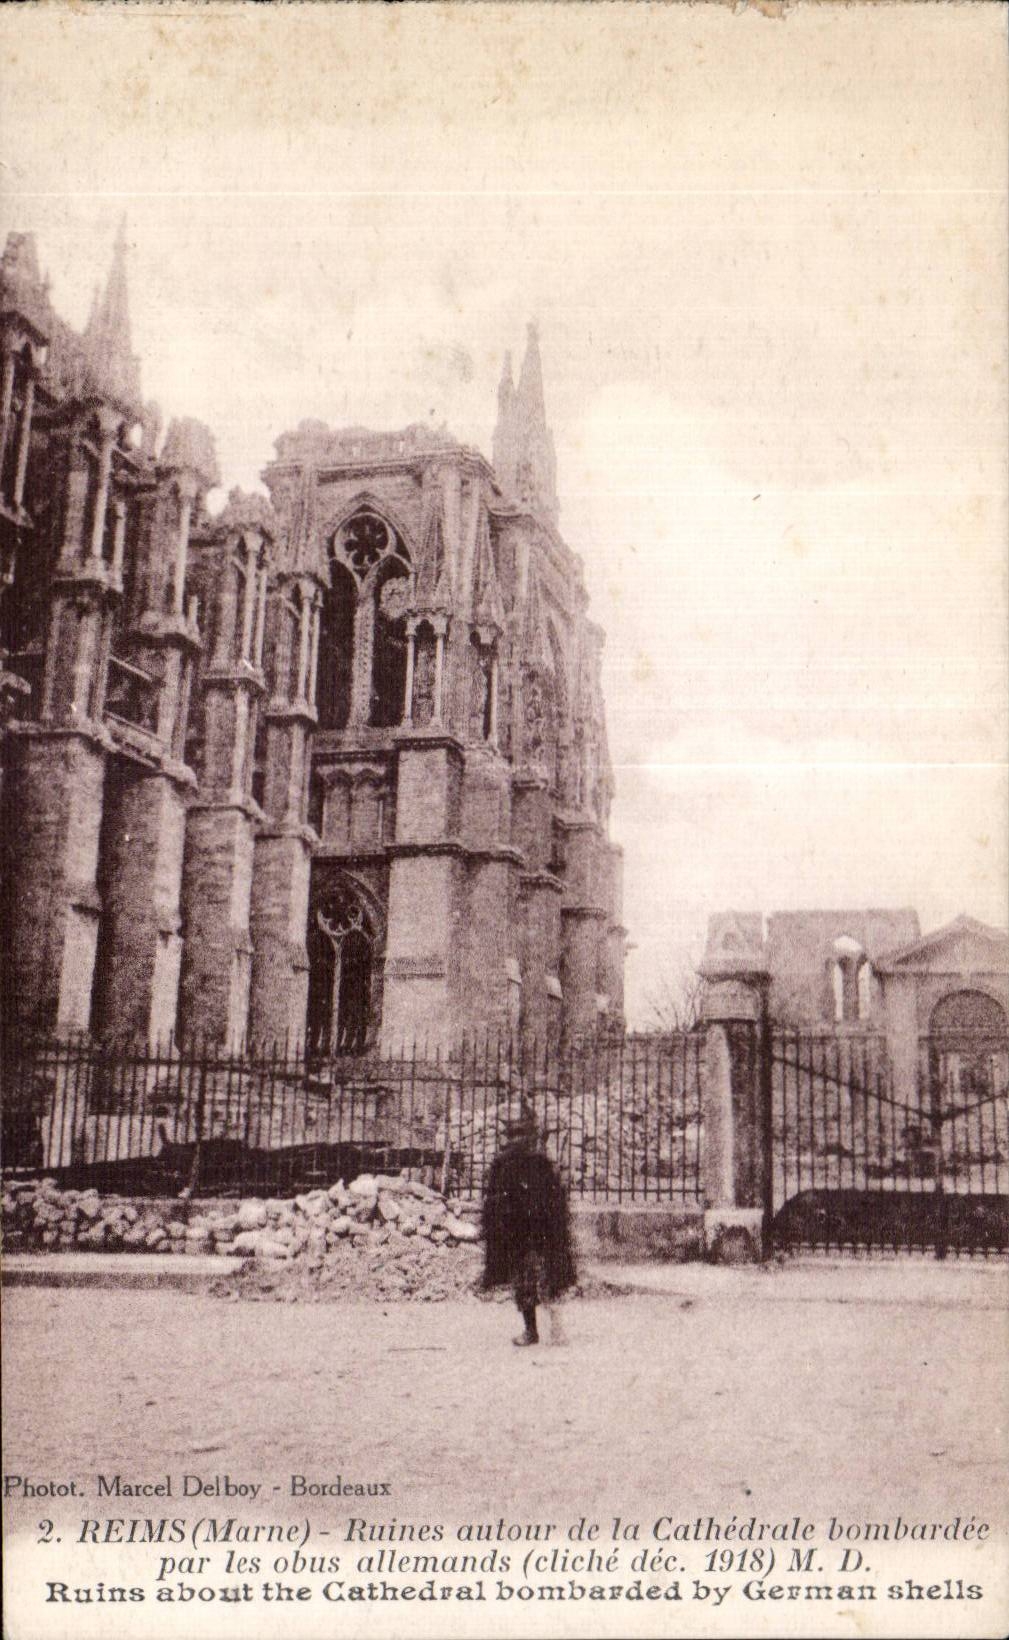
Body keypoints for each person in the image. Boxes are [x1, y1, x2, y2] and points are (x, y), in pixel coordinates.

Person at [481, 1112, 577, 1346]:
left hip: (534, 1235)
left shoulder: (532, 1164)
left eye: (519, 1135)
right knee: (529, 1282)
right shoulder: (508, 1164)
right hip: (522, 1236)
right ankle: (535, 1330)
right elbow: (493, 1202)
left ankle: (549, 1327)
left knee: (540, 1280)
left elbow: (555, 1200)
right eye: (513, 1135)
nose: (516, 1140)